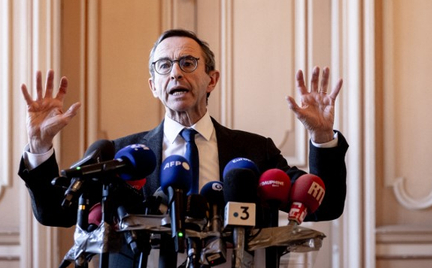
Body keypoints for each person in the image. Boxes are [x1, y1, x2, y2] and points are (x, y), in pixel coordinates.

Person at [18, 29, 348, 266]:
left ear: (212, 79)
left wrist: (322, 138)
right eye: (164, 65)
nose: (175, 72)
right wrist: (39, 145)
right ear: (154, 86)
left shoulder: (254, 150)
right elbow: (55, 212)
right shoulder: (123, 154)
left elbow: (326, 205)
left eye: (188, 63)